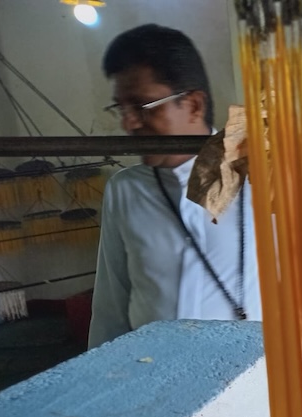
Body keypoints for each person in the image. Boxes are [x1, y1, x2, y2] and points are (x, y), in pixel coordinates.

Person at [88, 24, 261, 348]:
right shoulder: (126, 191)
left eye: (141, 106)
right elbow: (110, 308)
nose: (128, 123)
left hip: (251, 371)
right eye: (121, 108)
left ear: (194, 105)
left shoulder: (263, 175)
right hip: (150, 370)